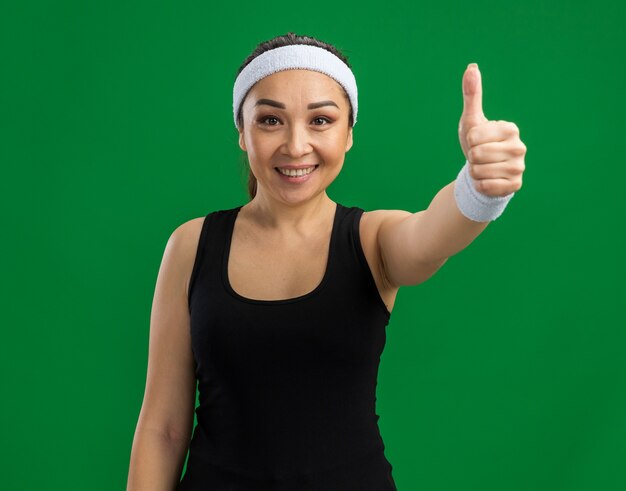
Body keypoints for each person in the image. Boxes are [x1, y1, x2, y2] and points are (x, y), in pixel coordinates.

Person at [126, 32, 527, 491]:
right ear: (242, 130)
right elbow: (163, 428)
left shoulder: (373, 239)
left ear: (349, 133)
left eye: (320, 120)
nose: (296, 146)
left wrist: (478, 190)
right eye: (271, 120)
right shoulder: (191, 245)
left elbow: (431, 236)